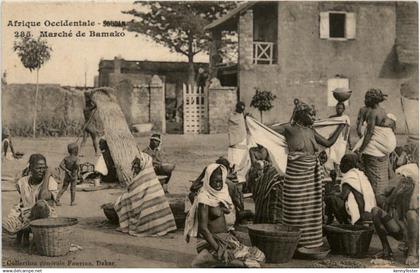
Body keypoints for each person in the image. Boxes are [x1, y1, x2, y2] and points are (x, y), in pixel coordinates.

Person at [274, 100, 345, 249]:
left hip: (311, 177)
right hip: (296, 176)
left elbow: (328, 143)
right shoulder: (289, 128)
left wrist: (341, 127)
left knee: (311, 210)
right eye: (311, 114)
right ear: (301, 114)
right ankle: (295, 242)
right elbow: (267, 131)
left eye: (314, 115)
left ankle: (309, 241)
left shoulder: (311, 131)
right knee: (295, 208)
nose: (314, 117)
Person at [185, 163, 265, 268]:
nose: (218, 184)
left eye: (220, 181)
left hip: (224, 238)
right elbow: (203, 229)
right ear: (208, 181)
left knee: (260, 256)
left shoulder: (221, 194)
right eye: (215, 181)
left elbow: (227, 212)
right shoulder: (204, 199)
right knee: (252, 265)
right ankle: (208, 257)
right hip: (211, 242)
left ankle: (214, 261)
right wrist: (219, 249)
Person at [114, 151, 177, 237]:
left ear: (143, 165)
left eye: (137, 164)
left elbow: (135, 193)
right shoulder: (150, 175)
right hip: (151, 204)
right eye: (134, 164)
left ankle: (130, 223)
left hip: (145, 205)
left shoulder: (143, 176)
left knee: (124, 199)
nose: (135, 166)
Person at [353, 89, 397, 208]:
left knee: (376, 186)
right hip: (382, 152)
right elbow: (390, 126)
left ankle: (379, 211)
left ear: (372, 100)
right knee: (382, 182)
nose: (365, 101)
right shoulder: (383, 111)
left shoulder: (373, 113)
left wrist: (361, 150)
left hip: (374, 152)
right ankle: (385, 210)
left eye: (367, 99)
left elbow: (369, 133)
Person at [2, 154, 58, 247]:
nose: (42, 171)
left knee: (40, 205)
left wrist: (47, 175)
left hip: (44, 217)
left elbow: (43, 197)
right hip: (26, 215)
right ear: (31, 168)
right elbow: (20, 203)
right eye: (39, 168)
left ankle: (29, 232)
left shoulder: (50, 181)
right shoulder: (22, 182)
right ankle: (22, 233)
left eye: (44, 168)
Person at [371, 163, 418, 265]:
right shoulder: (397, 184)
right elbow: (380, 197)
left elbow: (413, 217)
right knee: (375, 211)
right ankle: (386, 249)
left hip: (415, 235)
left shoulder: (415, 193)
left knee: (411, 214)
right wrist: (391, 197)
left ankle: (412, 253)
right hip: (401, 231)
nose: (404, 183)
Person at [188, 157, 242, 227]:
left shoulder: (211, 184)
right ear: (228, 170)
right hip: (227, 218)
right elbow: (238, 205)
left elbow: (192, 188)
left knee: (194, 195)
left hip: (217, 217)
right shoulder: (230, 184)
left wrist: (204, 173)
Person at [325, 153, 376, 225]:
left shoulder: (350, 176)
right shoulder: (360, 174)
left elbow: (343, 196)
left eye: (342, 163)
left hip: (359, 212)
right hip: (368, 210)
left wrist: (332, 193)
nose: (340, 166)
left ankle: (345, 223)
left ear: (348, 165)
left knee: (331, 199)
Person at [227, 102, 249, 192]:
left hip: (239, 143)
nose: (241, 110)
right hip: (237, 144)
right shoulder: (236, 117)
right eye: (241, 109)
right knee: (236, 164)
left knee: (240, 164)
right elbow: (235, 125)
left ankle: (239, 185)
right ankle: (235, 185)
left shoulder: (236, 116)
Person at [81, 91, 99, 156]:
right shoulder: (89, 108)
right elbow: (96, 105)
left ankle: (80, 153)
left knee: (84, 140)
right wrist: (91, 98)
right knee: (94, 140)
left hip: (85, 125)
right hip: (90, 125)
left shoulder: (85, 109)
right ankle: (96, 153)